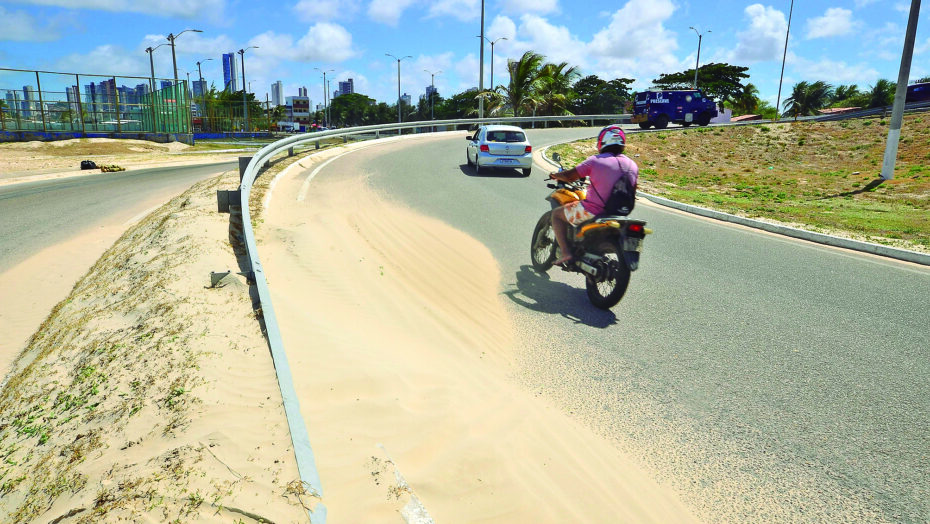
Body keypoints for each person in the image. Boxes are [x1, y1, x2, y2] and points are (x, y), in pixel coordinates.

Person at [549, 124, 639, 266]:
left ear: (602, 142)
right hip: (620, 213)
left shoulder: (596, 160)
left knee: (556, 215)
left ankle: (566, 252)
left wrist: (555, 175)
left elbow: (570, 176)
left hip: (592, 210)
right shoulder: (632, 165)